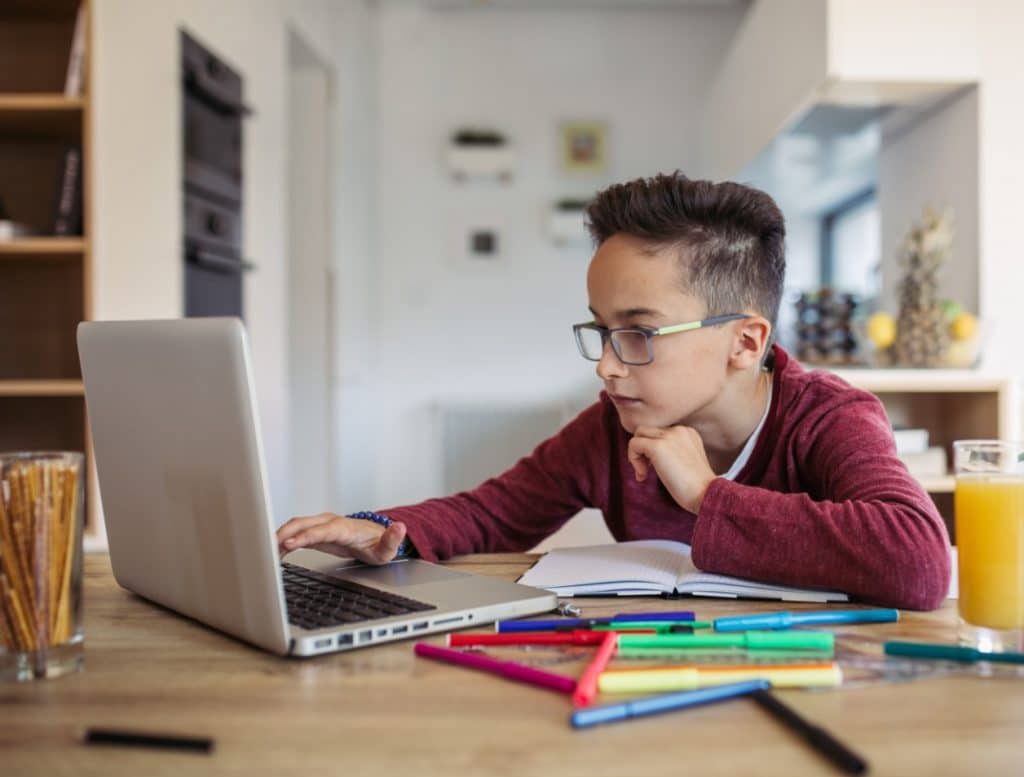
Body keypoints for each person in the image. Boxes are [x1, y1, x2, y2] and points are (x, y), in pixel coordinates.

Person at [277, 172, 950, 611]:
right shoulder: (612, 426)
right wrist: (374, 530)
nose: (605, 366)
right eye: (600, 331)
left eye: (638, 332)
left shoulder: (827, 418)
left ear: (745, 343)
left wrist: (706, 495)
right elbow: (491, 514)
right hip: (650, 672)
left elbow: (918, 562)